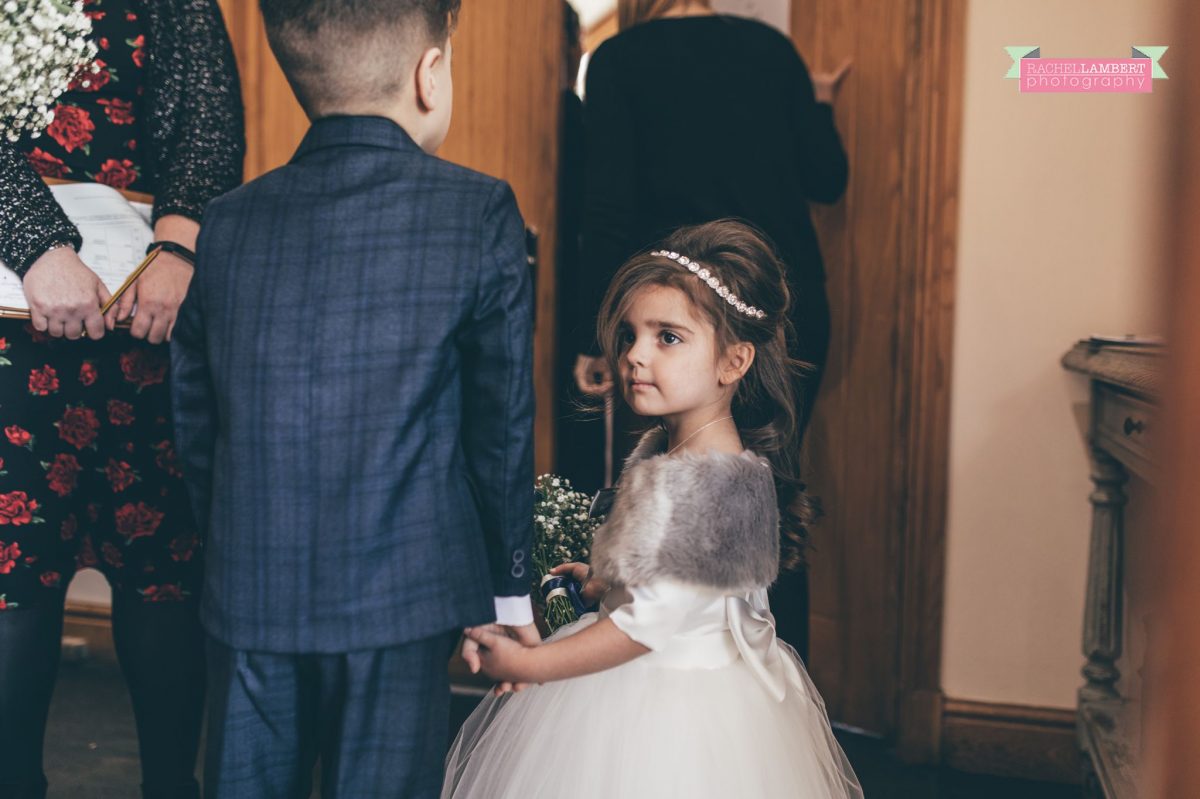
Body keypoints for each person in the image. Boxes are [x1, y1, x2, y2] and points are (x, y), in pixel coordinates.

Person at [169, 1, 537, 796]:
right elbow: (499, 426)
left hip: (249, 594)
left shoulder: (228, 224)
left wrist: (235, 539)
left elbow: (195, 422)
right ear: (429, 73)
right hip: (400, 605)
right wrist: (507, 591)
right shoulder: (476, 211)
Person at [443, 221, 862, 799]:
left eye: (668, 337)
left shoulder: (717, 482)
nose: (636, 355)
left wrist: (529, 665)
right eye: (628, 336)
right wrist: (601, 581)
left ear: (733, 362)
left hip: (678, 701)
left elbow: (648, 625)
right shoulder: (669, 451)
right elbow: (675, 583)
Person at [0, 1, 243, 796]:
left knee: (166, 568)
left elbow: (208, 121)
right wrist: (36, 245)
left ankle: (175, 786)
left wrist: (179, 250)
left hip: (148, 327)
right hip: (10, 329)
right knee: (14, 575)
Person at [573, 0, 850, 659]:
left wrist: (598, 337)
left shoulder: (617, 61)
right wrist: (814, 101)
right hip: (783, 313)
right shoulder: (772, 53)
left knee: (678, 489)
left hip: (678, 319)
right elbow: (829, 178)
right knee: (772, 493)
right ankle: (778, 688)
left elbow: (605, 210)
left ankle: (673, 667)